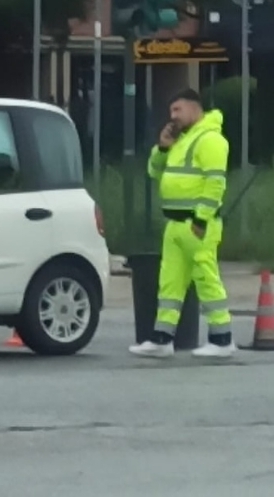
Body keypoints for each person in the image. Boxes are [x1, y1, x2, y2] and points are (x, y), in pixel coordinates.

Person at [129, 89, 234, 359]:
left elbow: (215, 184)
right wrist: (163, 147)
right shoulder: (181, 140)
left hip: (196, 224)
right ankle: (162, 339)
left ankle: (222, 339)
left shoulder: (210, 139)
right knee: (170, 283)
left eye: (178, 110)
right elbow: (154, 171)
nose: (172, 117)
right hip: (175, 224)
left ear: (194, 108)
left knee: (206, 278)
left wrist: (201, 218)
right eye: (171, 111)